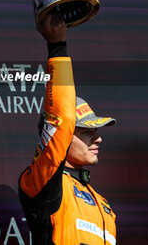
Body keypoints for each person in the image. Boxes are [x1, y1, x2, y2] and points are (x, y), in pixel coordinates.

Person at [18, 13, 117, 245]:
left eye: (96, 132)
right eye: (86, 132)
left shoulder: (105, 206)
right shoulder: (46, 182)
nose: (98, 139)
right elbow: (60, 121)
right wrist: (57, 46)